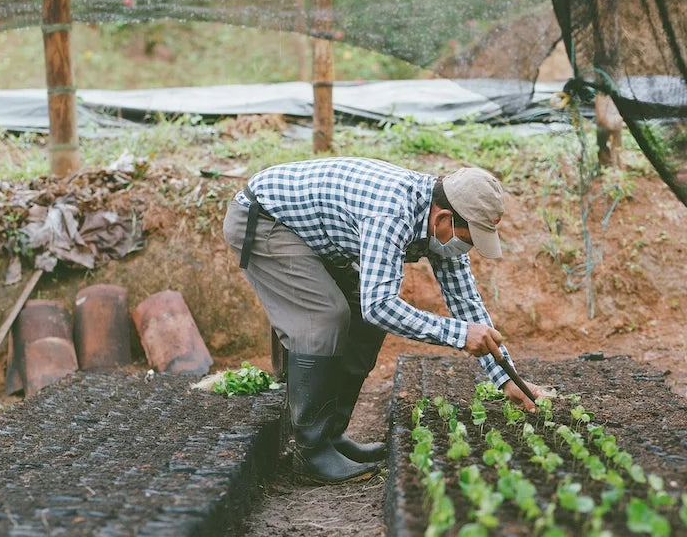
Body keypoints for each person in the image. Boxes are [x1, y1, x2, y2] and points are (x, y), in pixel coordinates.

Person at [223, 156, 535, 484]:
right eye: (468, 239)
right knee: (324, 317)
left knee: (360, 312)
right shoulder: (391, 212)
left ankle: (331, 433)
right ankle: (311, 453)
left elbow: (467, 305)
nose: (466, 249)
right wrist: (458, 335)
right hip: (264, 220)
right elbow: (381, 305)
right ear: (443, 218)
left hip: (312, 233)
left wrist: (507, 379)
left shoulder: (439, 223)